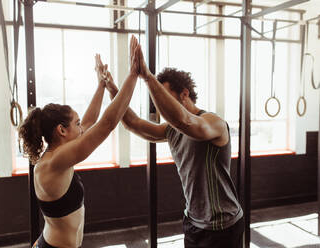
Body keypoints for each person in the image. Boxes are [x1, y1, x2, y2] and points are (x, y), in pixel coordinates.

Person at [102, 36, 244, 248]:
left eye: (164, 97)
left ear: (184, 94)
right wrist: (112, 88)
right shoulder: (172, 130)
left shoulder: (213, 122)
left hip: (222, 225)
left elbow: (185, 121)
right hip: (193, 221)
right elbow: (133, 123)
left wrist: (148, 78)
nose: (160, 107)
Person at [19, 36, 141, 248]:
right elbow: (107, 123)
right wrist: (133, 75)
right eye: (76, 124)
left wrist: (102, 85)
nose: (82, 127)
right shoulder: (54, 162)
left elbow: (90, 120)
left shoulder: (58, 154)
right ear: (62, 130)